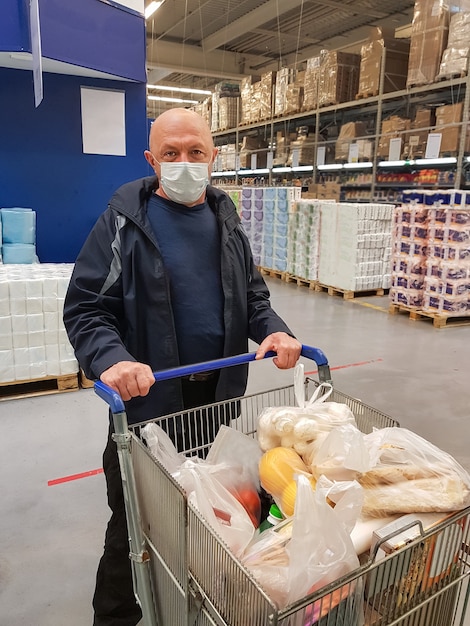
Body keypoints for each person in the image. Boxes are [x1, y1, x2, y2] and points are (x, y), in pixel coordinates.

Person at [63, 107, 301, 626]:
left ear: (214, 157)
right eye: (171, 154)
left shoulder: (227, 220)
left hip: (214, 406)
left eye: (196, 152)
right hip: (148, 408)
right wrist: (114, 359)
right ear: (152, 159)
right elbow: (86, 308)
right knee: (133, 528)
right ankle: (118, 618)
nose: (184, 163)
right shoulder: (123, 223)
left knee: (213, 521)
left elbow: (254, 298)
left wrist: (275, 330)